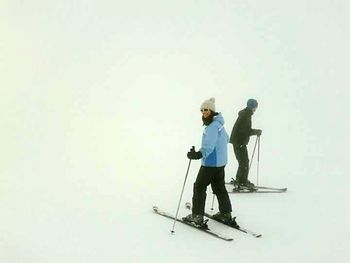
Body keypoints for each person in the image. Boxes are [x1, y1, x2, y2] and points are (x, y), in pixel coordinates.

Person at [183, 98, 236, 227]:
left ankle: (197, 216)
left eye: (206, 110)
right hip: (220, 163)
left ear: (212, 110)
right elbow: (226, 139)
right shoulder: (219, 124)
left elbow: (209, 146)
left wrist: (198, 154)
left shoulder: (212, 126)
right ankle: (225, 214)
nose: (203, 112)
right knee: (219, 188)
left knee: (199, 186)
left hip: (211, 163)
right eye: (202, 110)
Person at [229, 98, 262, 189]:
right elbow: (246, 131)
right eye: (255, 106)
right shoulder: (246, 116)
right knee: (244, 162)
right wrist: (256, 132)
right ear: (253, 107)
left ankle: (240, 179)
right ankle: (242, 181)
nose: (256, 108)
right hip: (239, 142)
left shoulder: (245, 114)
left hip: (237, 141)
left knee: (243, 161)